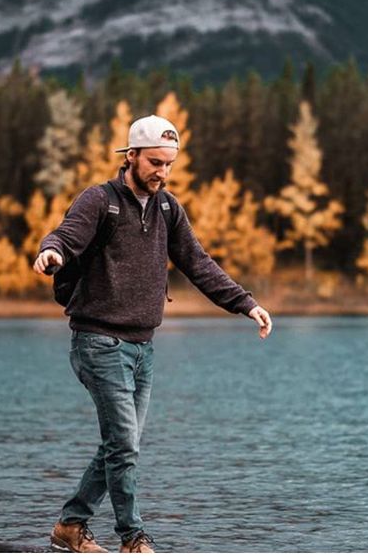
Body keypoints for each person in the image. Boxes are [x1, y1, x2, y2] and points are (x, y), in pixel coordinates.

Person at [33, 115, 273, 553]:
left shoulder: (168, 209)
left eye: (169, 164)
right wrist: (51, 252)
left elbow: (198, 264)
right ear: (131, 157)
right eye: (155, 162)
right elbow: (66, 236)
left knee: (121, 446)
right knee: (124, 445)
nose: (162, 172)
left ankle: (70, 525)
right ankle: (133, 539)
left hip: (143, 348)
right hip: (99, 342)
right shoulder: (98, 201)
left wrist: (246, 303)